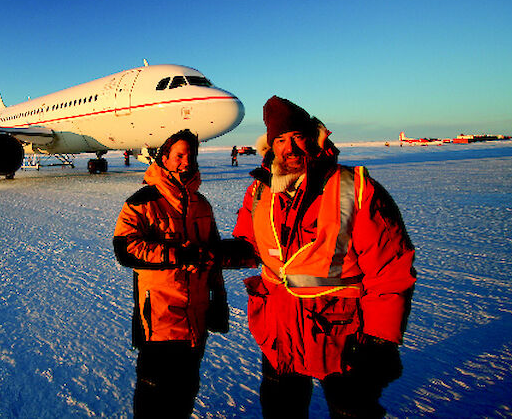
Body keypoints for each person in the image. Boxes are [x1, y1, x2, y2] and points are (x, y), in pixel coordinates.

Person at [229, 96, 416, 419]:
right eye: (280, 140)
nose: (290, 148)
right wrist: (217, 253)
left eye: (297, 137)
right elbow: (250, 243)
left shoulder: (352, 188)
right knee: (280, 411)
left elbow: (389, 268)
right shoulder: (260, 191)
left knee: (351, 411)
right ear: (271, 147)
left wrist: (381, 341)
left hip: (342, 336)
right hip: (280, 332)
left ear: (314, 138)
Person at [113, 129, 228, 419]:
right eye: (179, 155)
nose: (185, 161)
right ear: (164, 158)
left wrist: (219, 300)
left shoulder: (202, 204)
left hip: (196, 316)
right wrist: (177, 255)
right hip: (160, 317)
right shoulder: (142, 201)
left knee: (185, 391)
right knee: (154, 394)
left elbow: (212, 255)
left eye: (190, 155)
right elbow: (125, 248)